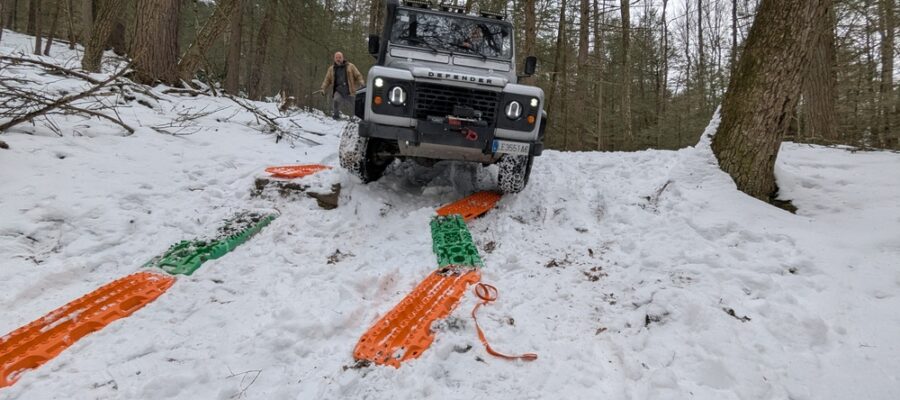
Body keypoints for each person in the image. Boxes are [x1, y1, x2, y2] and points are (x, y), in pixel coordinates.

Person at [319, 52, 365, 120]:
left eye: (340, 57)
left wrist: (362, 83)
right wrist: (323, 88)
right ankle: (336, 116)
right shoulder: (331, 69)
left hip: (350, 90)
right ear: (334, 59)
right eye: (336, 58)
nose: (338, 59)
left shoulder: (350, 66)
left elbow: (358, 75)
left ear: (343, 58)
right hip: (339, 91)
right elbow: (327, 80)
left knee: (355, 105)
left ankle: (355, 118)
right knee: (336, 100)